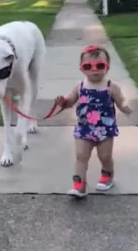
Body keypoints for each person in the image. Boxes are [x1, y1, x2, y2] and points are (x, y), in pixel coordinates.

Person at [55, 45, 132, 198]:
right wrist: (63, 102)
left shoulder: (111, 86)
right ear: (82, 69)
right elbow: (70, 101)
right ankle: (79, 184)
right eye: (88, 66)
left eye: (100, 65)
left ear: (107, 67)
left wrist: (125, 106)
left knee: (105, 156)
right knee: (81, 156)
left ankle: (107, 174)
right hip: (84, 129)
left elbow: (120, 101)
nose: (94, 69)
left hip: (105, 129)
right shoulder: (80, 86)